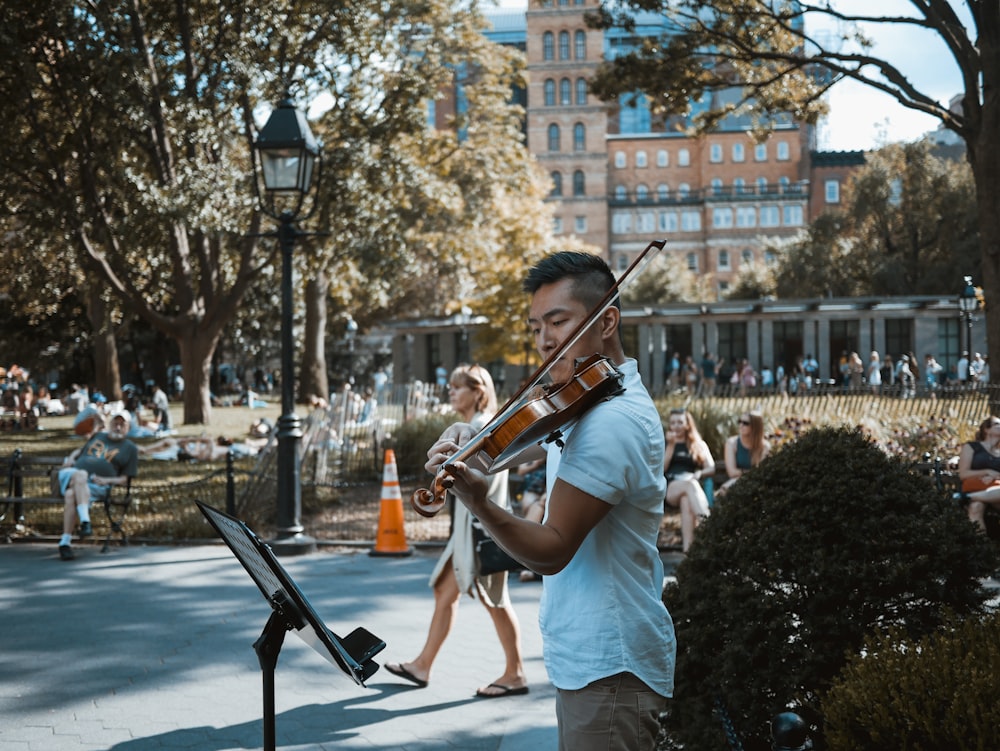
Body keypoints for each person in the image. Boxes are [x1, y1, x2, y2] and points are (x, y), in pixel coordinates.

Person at [423, 252, 673, 750]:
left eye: (558, 321)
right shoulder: (589, 397)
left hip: (610, 666)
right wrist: (472, 436)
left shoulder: (612, 421)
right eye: (536, 326)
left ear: (607, 321)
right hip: (593, 661)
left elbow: (553, 549)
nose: (544, 341)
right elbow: (524, 437)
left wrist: (479, 501)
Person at [384, 364, 527, 699]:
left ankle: (516, 673)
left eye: (457, 386)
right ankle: (422, 665)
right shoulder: (472, 427)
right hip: (468, 532)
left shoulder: (483, 427)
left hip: (481, 532)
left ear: (478, 391)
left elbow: (485, 481)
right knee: (445, 593)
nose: (450, 391)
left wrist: (450, 477)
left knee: (495, 600)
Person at [56, 409, 139, 560]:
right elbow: (80, 450)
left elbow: (125, 479)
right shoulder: (98, 436)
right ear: (110, 424)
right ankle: (85, 521)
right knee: (81, 474)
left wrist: (106, 480)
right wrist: (72, 457)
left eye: (122, 424)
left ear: (128, 428)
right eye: (115, 423)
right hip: (72, 474)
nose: (118, 427)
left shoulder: (130, 448)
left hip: (97, 486)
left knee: (70, 495)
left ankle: (65, 543)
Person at [663, 408, 715, 552]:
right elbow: (662, 470)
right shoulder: (666, 443)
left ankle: (688, 552)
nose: (676, 426)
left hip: (690, 488)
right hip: (671, 487)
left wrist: (699, 474)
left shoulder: (698, 444)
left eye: (680, 422)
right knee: (690, 486)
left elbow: (711, 468)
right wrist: (671, 445)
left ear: (687, 424)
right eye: (673, 423)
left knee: (686, 501)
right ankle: (709, 526)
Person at [957, 416, 1000, 533]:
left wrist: (994, 476)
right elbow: (963, 474)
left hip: (996, 491)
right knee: (975, 507)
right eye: (997, 424)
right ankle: (981, 549)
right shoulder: (972, 447)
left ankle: (964, 497)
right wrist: (987, 471)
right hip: (975, 488)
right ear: (986, 429)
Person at [717, 410, 771, 497]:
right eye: (740, 422)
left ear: (755, 427)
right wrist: (750, 472)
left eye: (745, 423)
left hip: (756, 484)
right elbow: (732, 472)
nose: (741, 425)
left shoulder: (765, 446)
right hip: (736, 483)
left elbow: (761, 473)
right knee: (726, 489)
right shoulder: (732, 443)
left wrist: (743, 472)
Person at [514, 457, 547, 581]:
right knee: (532, 505)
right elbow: (521, 471)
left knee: (538, 506)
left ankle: (525, 542)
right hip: (532, 489)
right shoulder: (533, 455)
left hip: (546, 491)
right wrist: (536, 462)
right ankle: (526, 543)